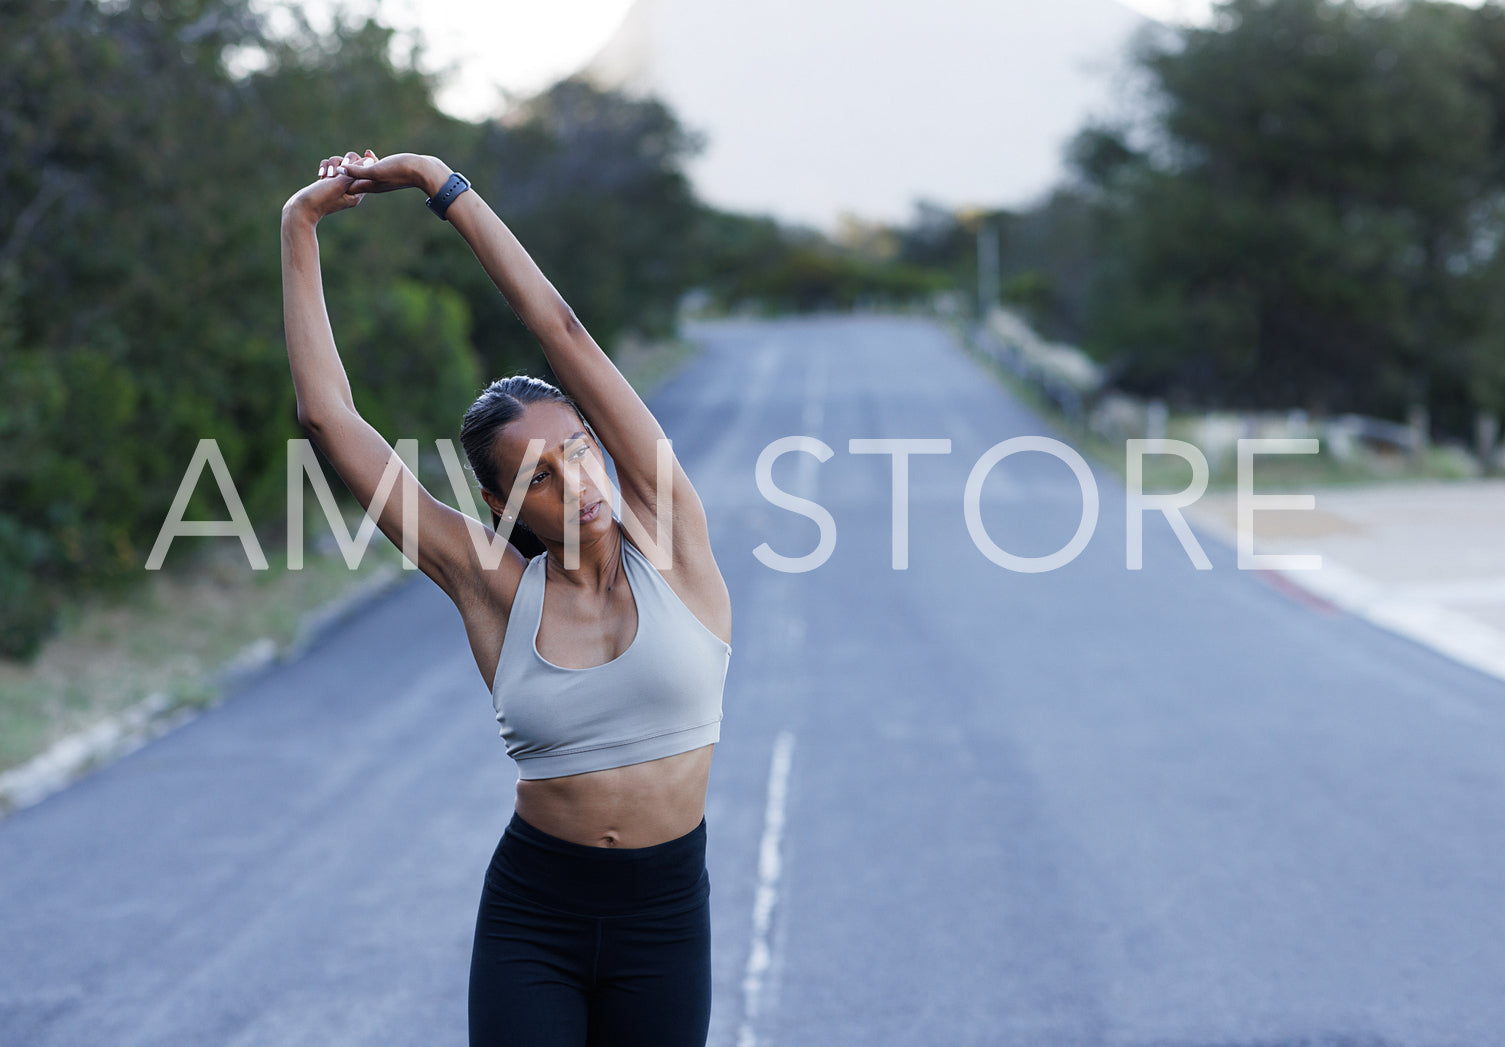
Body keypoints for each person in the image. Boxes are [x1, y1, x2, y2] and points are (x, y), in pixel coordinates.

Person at [281, 149, 733, 1047]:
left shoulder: (671, 537)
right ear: (500, 504)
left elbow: (558, 327)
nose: (576, 479)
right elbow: (329, 421)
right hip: (537, 914)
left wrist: (443, 187)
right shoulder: (491, 587)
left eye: (579, 448)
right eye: (539, 475)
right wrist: (298, 224)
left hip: (664, 918)